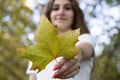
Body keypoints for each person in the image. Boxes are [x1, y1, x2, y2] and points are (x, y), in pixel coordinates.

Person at [26, 0, 96, 80]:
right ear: (49, 14)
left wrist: (75, 55)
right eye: (55, 8)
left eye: (67, 8)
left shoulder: (83, 38)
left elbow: (84, 49)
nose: (61, 12)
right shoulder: (38, 49)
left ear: (75, 14)